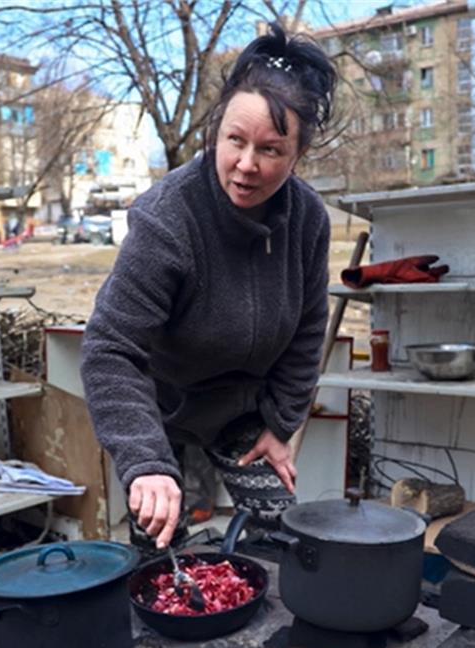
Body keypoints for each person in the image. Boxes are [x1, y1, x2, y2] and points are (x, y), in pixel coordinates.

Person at [80, 22, 338, 550]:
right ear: (216, 131)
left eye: (270, 150)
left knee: (277, 532)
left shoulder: (308, 219)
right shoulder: (166, 218)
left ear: (297, 156)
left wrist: (280, 424)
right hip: (160, 407)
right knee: (161, 546)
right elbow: (110, 351)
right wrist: (145, 462)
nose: (246, 165)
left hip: (241, 408)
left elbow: (308, 331)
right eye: (235, 141)